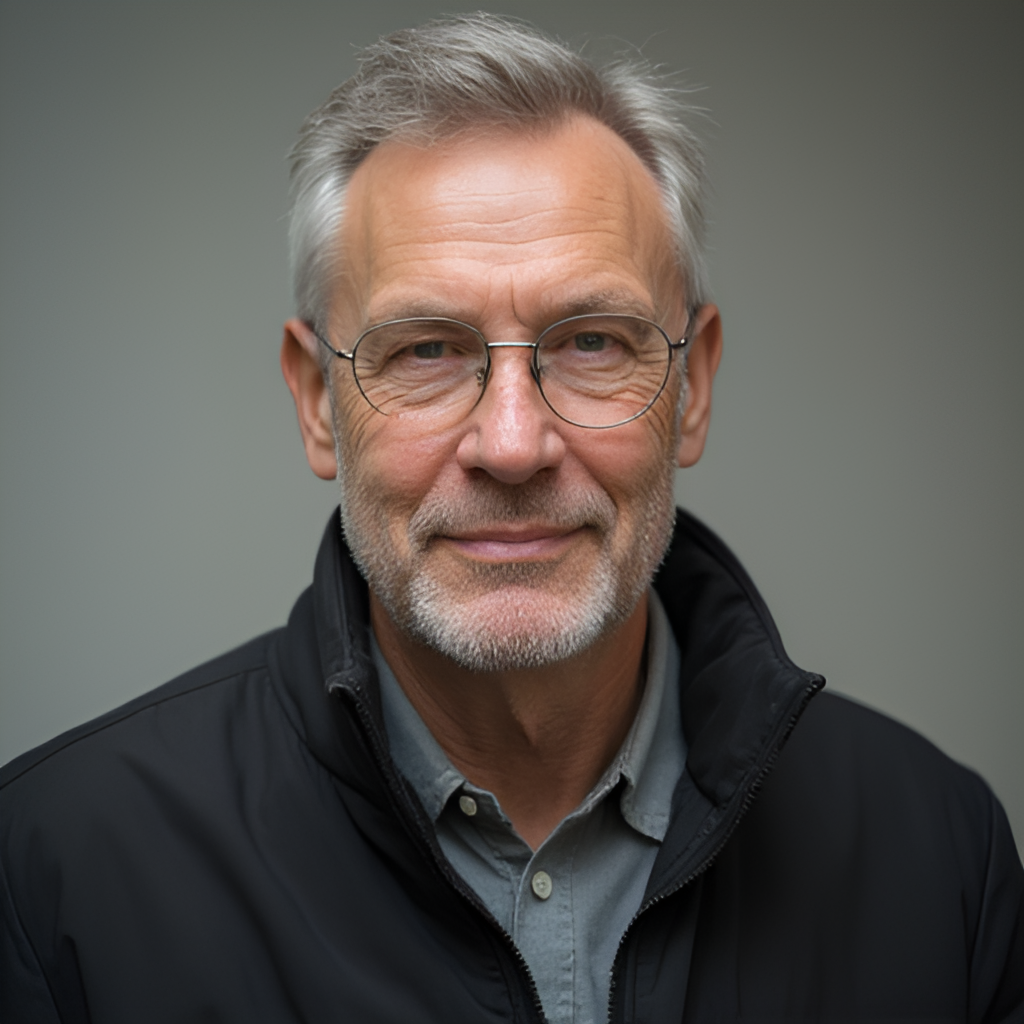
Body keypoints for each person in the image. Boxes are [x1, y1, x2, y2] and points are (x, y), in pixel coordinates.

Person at [1, 13, 1021, 1023]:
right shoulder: (55, 876)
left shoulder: (940, 857)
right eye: (426, 350)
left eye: (590, 342)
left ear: (694, 387)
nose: (513, 443)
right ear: (316, 400)